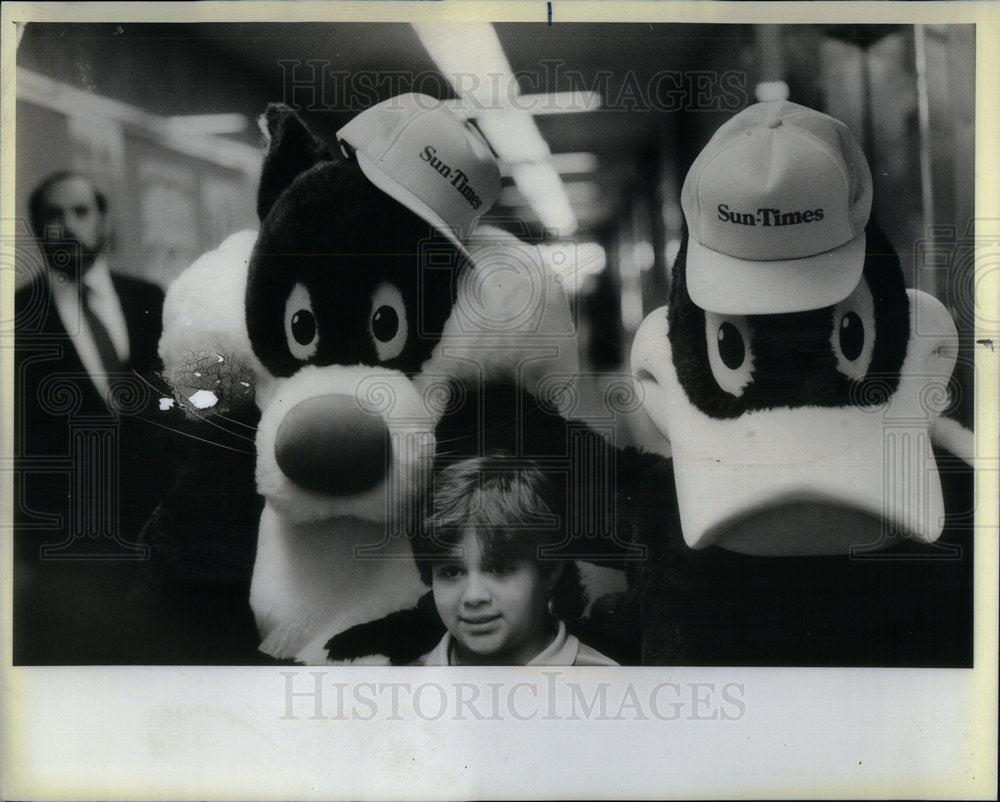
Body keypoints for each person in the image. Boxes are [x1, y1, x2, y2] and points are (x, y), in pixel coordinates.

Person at [13, 170, 167, 663]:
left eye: (80, 211)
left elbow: (187, 400)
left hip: (160, 534)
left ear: (102, 221)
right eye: (53, 216)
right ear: (38, 230)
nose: (67, 225)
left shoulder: (151, 300)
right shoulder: (18, 318)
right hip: (72, 549)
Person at [411, 454, 618, 666]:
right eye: (452, 572)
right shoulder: (402, 683)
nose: (473, 596)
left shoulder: (608, 682)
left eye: (499, 568)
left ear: (550, 569)